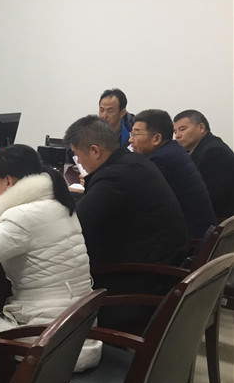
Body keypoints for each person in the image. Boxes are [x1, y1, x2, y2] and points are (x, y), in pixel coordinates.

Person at [0, 145, 101, 372]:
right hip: (79, 328)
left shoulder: (21, 217)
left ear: (8, 181)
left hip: (49, 340)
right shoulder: (58, 203)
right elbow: (27, 233)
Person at [64, 115, 188, 332]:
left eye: (77, 155)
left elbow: (76, 225)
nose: (78, 162)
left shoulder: (115, 177)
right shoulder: (132, 162)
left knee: (54, 278)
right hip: (160, 270)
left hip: (139, 284)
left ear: (95, 151)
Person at [130, 109, 216, 239]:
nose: (131, 140)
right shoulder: (173, 150)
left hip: (191, 239)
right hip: (201, 231)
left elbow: (138, 200)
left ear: (156, 139)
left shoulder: (160, 160)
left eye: (136, 134)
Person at [174, 109, 234, 219]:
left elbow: (214, 197)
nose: (177, 135)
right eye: (175, 132)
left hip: (220, 221)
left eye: (182, 129)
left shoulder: (214, 151)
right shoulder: (199, 150)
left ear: (201, 128)